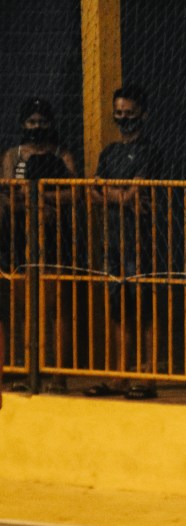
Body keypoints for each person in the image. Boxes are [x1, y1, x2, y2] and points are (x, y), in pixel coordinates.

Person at [85, 84, 163, 400]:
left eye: (129, 113)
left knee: (144, 306)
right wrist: (120, 196)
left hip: (141, 239)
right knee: (118, 307)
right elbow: (93, 191)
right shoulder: (109, 153)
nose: (123, 118)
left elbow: (136, 192)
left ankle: (148, 374)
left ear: (143, 114)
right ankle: (120, 373)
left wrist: (111, 193)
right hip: (113, 240)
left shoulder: (150, 152)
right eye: (118, 113)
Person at [0, 97, 77, 393]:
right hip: (21, 236)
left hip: (56, 236)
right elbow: (9, 195)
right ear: (23, 124)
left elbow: (74, 192)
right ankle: (28, 369)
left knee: (57, 304)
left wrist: (39, 197)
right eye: (31, 122)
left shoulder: (61, 155)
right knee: (24, 306)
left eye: (42, 122)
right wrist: (34, 202)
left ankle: (58, 374)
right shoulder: (13, 156)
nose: (36, 127)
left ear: (51, 124)